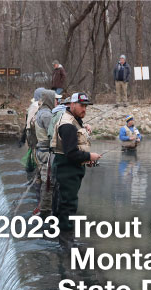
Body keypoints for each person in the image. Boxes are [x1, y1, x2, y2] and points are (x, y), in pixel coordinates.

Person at [51, 92, 101, 231]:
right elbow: (71, 153)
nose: (84, 109)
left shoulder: (73, 119)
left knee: (61, 204)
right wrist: (89, 156)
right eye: (81, 105)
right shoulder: (68, 125)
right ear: (72, 104)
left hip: (68, 169)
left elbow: (74, 146)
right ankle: (66, 241)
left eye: (86, 106)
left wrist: (86, 159)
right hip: (67, 171)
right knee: (68, 205)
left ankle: (58, 238)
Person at [34, 90, 62, 216]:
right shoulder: (46, 115)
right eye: (55, 99)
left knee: (43, 180)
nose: (57, 102)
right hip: (46, 153)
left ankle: (41, 206)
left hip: (40, 151)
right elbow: (53, 134)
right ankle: (45, 211)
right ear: (50, 99)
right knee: (48, 183)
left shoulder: (41, 112)